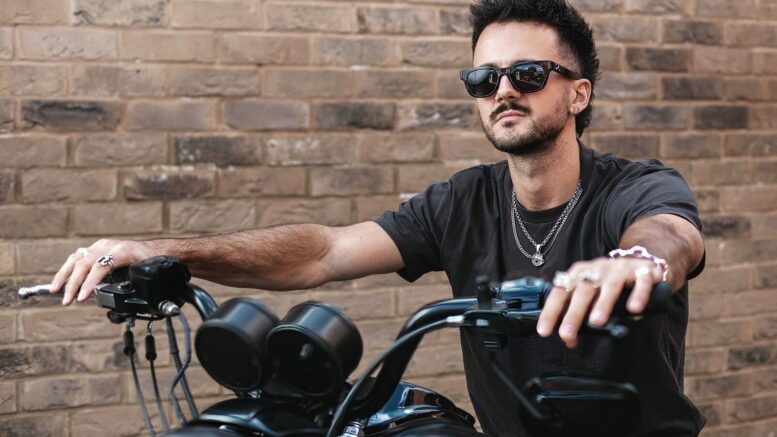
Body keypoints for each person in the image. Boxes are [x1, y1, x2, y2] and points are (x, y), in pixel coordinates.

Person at [51, 0, 705, 435]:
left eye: (528, 73)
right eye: (483, 77)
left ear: (577, 92)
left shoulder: (633, 187)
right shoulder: (461, 202)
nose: (502, 90)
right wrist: (164, 251)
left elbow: (668, 236)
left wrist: (634, 264)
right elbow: (323, 251)